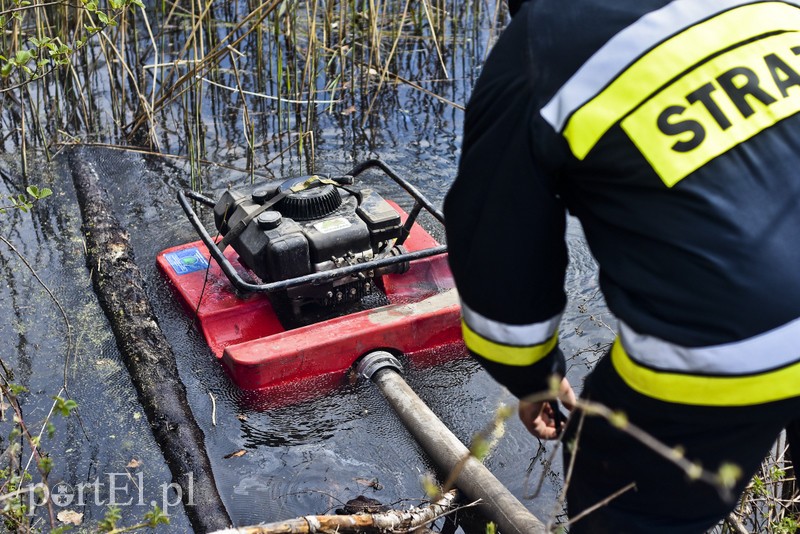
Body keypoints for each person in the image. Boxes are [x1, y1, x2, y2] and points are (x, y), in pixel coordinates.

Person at [443, 0, 800, 532]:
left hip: (736, 342)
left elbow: (496, 253)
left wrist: (534, 376)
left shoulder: (542, 41)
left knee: (611, 481)